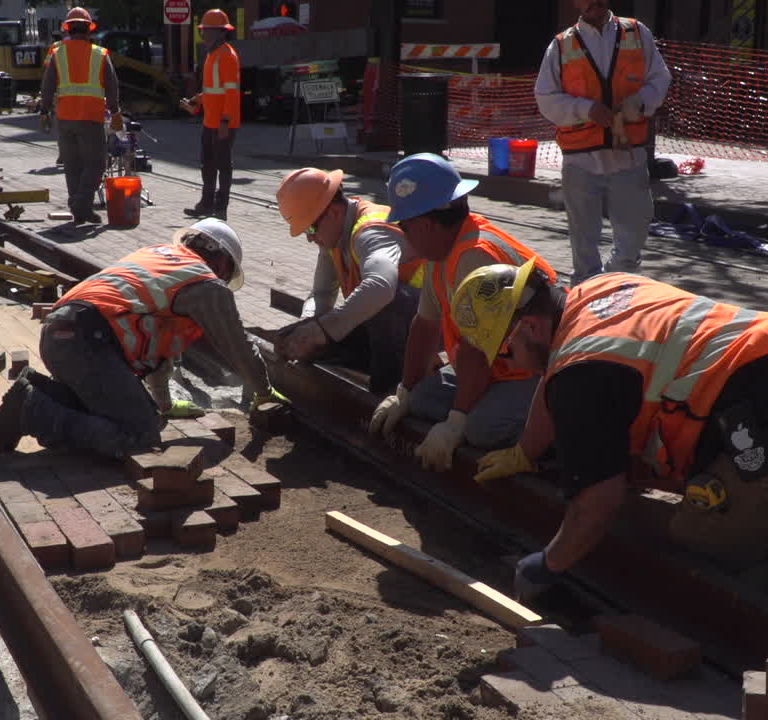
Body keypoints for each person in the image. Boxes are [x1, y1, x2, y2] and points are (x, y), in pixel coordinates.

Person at [455, 263, 768, 650]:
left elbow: (598, 504)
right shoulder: (599, 292)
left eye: (505, 353)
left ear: (530, 326)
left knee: (694, 562)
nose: (508, 365)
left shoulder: (580, 377)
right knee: (740, 529)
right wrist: (526, 450)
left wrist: (549, 563)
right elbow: (555, 372)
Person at [0, 219, 286, 460]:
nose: (223, 280)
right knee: (140, 435)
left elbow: (160, 348)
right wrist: (264, 391)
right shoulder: (205, 284)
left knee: (141, 416)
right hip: (88, 342)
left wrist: (163, 404)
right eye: (227, 274)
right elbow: (237, 345)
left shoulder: (161, 260)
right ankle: (31, 411)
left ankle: (36, 392)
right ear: (221, 262)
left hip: (61, 335)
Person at [367, 154, 556, 470]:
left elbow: (475, 349)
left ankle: (555, 440)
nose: (402, 234)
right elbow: (425, 325)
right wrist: (404, 392)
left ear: (426, 225)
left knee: (481, 430)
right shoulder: (440, 252)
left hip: (535, 369)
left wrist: (457, 422)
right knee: (422, 400)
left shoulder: (474, 257)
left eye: (404, 226)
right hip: (497, 366)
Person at [534, 0, 671, 286]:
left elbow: (659, 78)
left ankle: (617, 282)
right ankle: (586, 290)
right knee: (583, 242)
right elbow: (546, 98)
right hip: (581, 159)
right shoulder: (561, 45)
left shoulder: (636, 32)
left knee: (633, 235)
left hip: (628, 155)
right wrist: (586, 109)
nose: (592, 2)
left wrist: (640, 102)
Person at [272, 167, 423, 395]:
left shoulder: (371, 231)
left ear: (333, 212)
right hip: (392, 329)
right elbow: (322, 294)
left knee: (382, 305)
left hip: (431, 323)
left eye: (311, 228)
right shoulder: (333, 236)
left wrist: (322, 329)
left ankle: (390, 392)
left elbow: (381, 287)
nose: (310, 238)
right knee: (317, 339)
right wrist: (305, 328)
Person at [38, 7, 121, 225]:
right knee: (96, 164)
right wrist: (115, 112)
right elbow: (112, 86)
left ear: (68, 29)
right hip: (90, 117)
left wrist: (44, 111)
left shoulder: (58, 54)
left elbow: (47, 86)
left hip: (65, 118)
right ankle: (81, 204)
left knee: (73, 166)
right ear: (88, 29)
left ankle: (81, 210)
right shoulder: (100, 54)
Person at [181, 9, 240, 221]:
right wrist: (196, 102)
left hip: (223, 123)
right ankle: (206, 205)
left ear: (219, 32)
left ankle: (220, 208)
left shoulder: (227, 56)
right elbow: (212, 91)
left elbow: (231, 93)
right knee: (208, 165)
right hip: (210, 121)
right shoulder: (212, 55)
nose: (203, 35)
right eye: (203, 31)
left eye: (206, 31)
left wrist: (225, 121)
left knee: (223, 166)